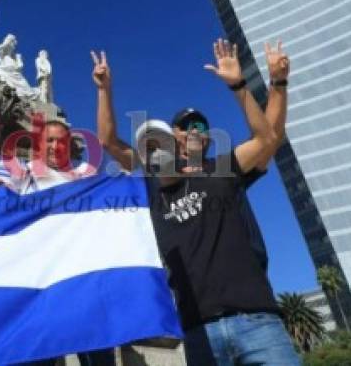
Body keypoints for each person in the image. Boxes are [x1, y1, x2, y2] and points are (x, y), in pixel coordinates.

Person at [95, 39, 299, 365]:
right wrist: (105, 89)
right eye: (185, 127)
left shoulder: (220, 171)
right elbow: (107, 141)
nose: (194, 131)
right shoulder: (149, 188)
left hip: (256, 322)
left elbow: (267, 139)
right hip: (198, 333)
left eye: (201, 126)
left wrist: (253, 84)